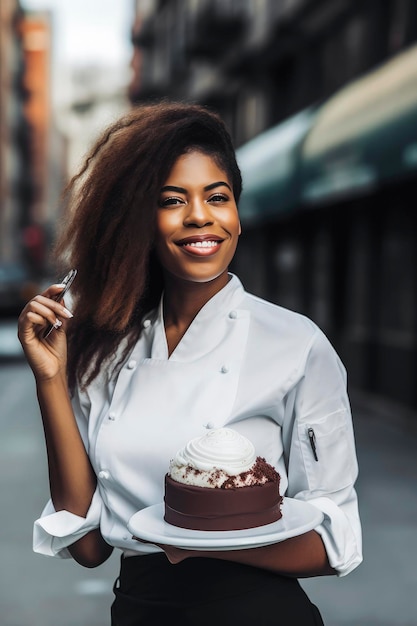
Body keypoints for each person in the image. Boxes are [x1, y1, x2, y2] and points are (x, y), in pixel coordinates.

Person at [18, 101, 362, 625]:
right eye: (172, 200)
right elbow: (88, 546)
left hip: (255, 613)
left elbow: (334, 541)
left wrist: (193, 543)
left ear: (237, 219)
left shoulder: (296, 344)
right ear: (142, 225)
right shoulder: (105, 349)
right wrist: (50, 379)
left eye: (217, 197)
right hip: (137, 610)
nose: (200, 215)